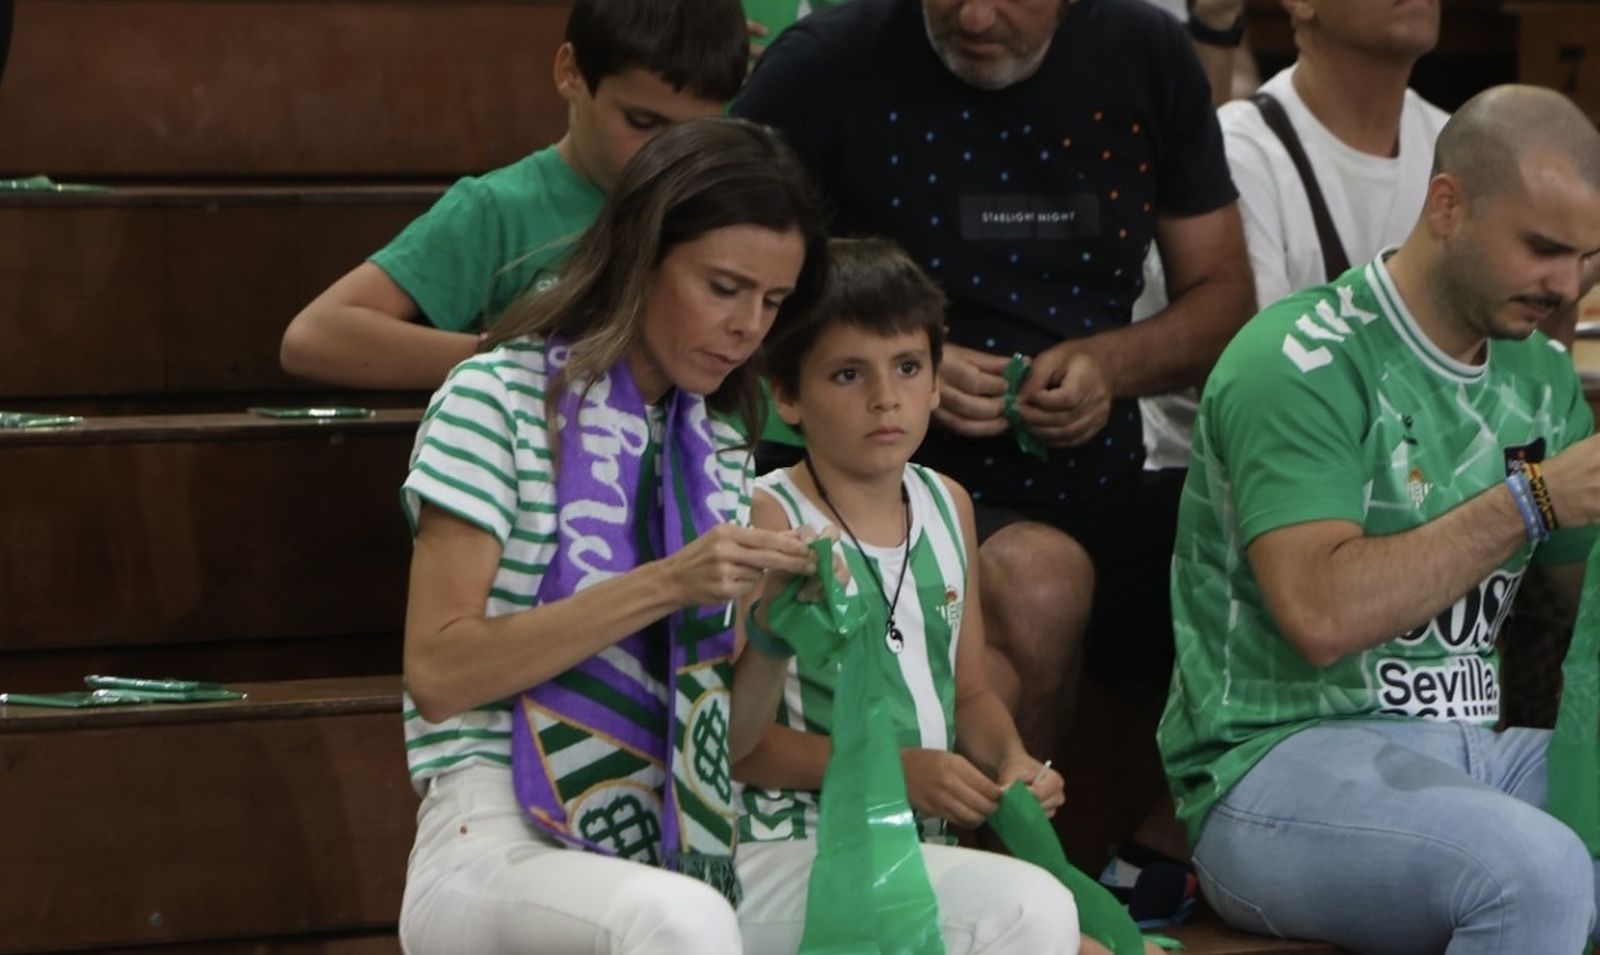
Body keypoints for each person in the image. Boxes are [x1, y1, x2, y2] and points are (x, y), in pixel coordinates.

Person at [732, 0, 1255, 887]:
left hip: (1101, 470)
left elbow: (1224, 297)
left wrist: (1110, 364)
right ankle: (991, 884)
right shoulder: (825, 61)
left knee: (1272, 538)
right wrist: (909, 379)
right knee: (1043, 580)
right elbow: (717, 263)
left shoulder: (1147, 54)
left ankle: (1167, 844)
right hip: (885, 476)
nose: (974, 15)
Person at [1158, 85, 1600, 954]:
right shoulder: (1298, 361)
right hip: (1274, 769)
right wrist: (1533, 500)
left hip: (1478, 754)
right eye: (1544, 250)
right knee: (1537, 871)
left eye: (1588, 258)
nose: (1567, 289)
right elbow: (1320, 616)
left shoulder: (1544, 380)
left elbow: (1577, 601)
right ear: (1448, 205)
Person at [396, 117, 832, 954]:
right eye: (725, 287)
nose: (749, 326)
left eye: (773, 302)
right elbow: (440, 672)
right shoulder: (496, 396)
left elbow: (730, 747)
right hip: (490, 830)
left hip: (679, 823)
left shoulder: (718, 441)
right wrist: (669, 581)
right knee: (682, 918)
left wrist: (774, 636)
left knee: (1012, 905)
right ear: (640, 254)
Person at [731, 236, 1128, 955]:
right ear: (786, 395)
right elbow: (741, 746)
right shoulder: (767, 517)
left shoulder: (949, 502)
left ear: (938, 381)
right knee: (1051, 931)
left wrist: (1011, 759)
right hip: (797, 842)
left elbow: (970, 692)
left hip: (918, 848)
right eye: (848, 374)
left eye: (908, 367)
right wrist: (898, 771)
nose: (886, 398)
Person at [280, 0, 749, 390]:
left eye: (697, 132)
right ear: (570, 73)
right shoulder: (497, 209)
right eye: (641, 122)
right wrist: (523, 363)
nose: (666, 154)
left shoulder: (719, 213)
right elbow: (315, 337)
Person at [1137, 0, 1443, 470]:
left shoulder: (1454, 144)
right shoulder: (1241, 150)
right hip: (1238, 488)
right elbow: (1266, 392)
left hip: (1414, 475)